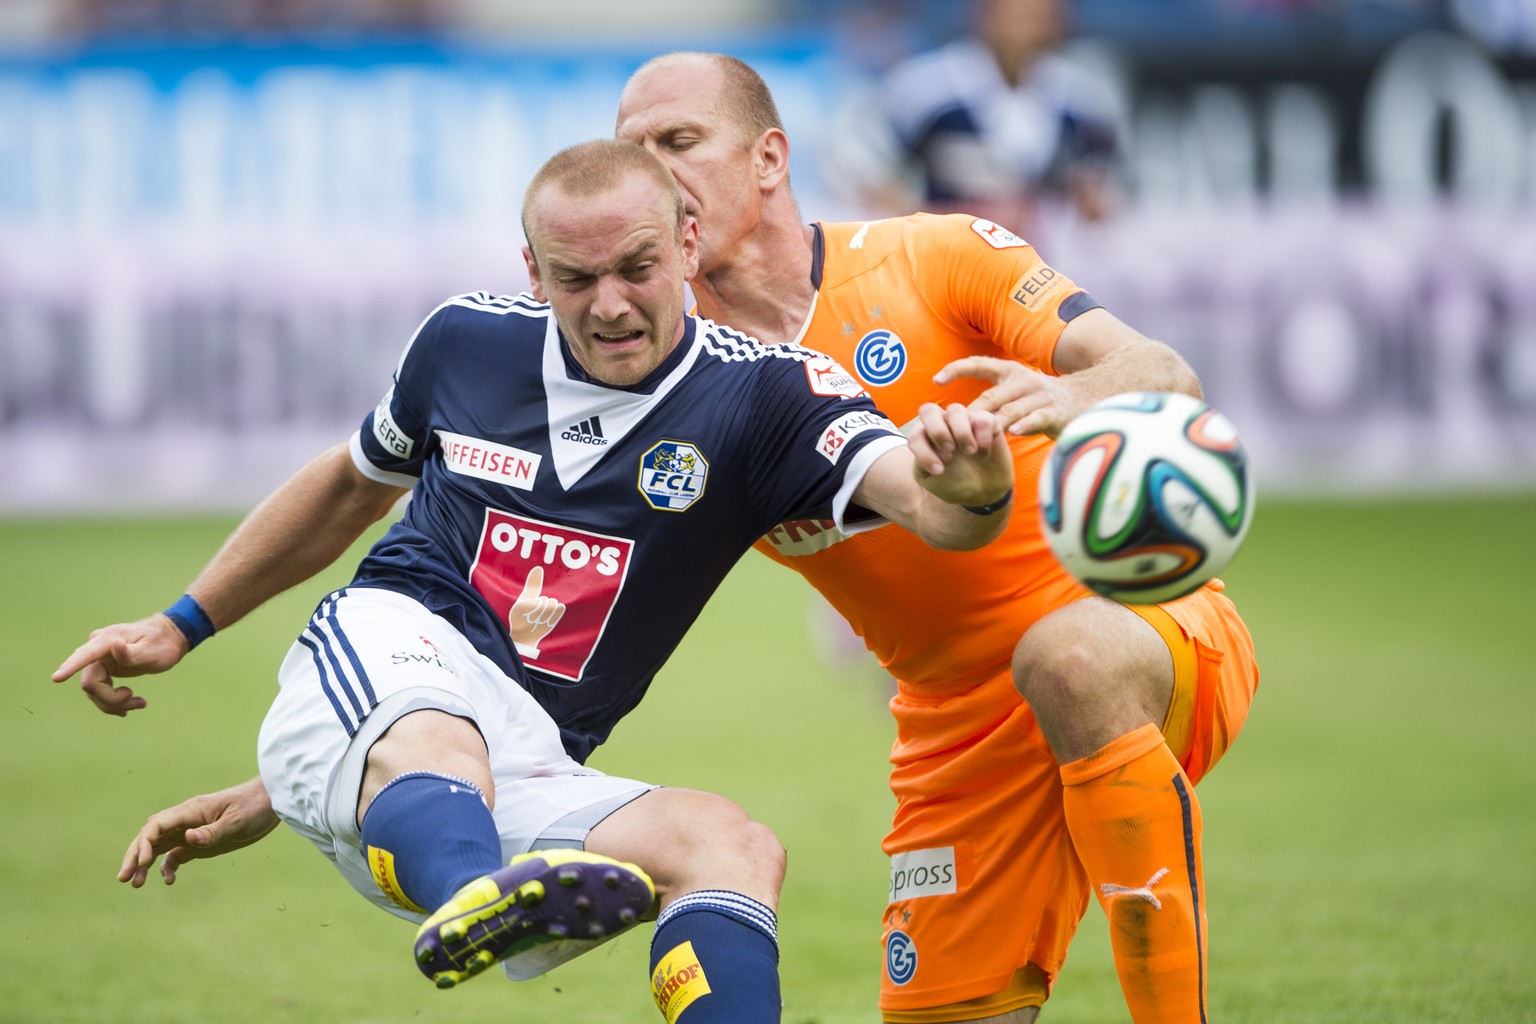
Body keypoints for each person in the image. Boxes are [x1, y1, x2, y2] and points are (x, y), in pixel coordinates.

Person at [53, 138, 1016, 1023]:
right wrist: (183, 623)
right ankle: (480, 893)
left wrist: (971, 488)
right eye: (576, 277)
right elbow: (352, 485)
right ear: (532, 272)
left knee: (730, 849)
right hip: (391, 658)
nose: (609, 304)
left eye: (637, 268)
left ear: (688, 245)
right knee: (442, 736)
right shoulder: (466, 342)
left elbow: (934, 511)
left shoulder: (765, 394)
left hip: (515, 762)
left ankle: (486, 888)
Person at [611, 53, 1256, 1024]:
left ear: (769, 159)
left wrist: (1071, 394)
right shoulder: (672, 395)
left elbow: (1165, 373)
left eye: (679, 142)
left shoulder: (934, 257)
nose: (651, 175)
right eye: (631, 155)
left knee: (1067, 656)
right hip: (955, 732)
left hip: (1132, 630)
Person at [837, 0, 1122, 232]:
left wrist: (1090, 200)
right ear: (984, 12)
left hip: (1041, 276)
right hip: (946, 269)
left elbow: (1102, 184)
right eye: (1016, 12)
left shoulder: (1080, 100)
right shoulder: (928, 88)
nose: (1027, 22)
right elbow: (857, 162)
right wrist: (924, 218)